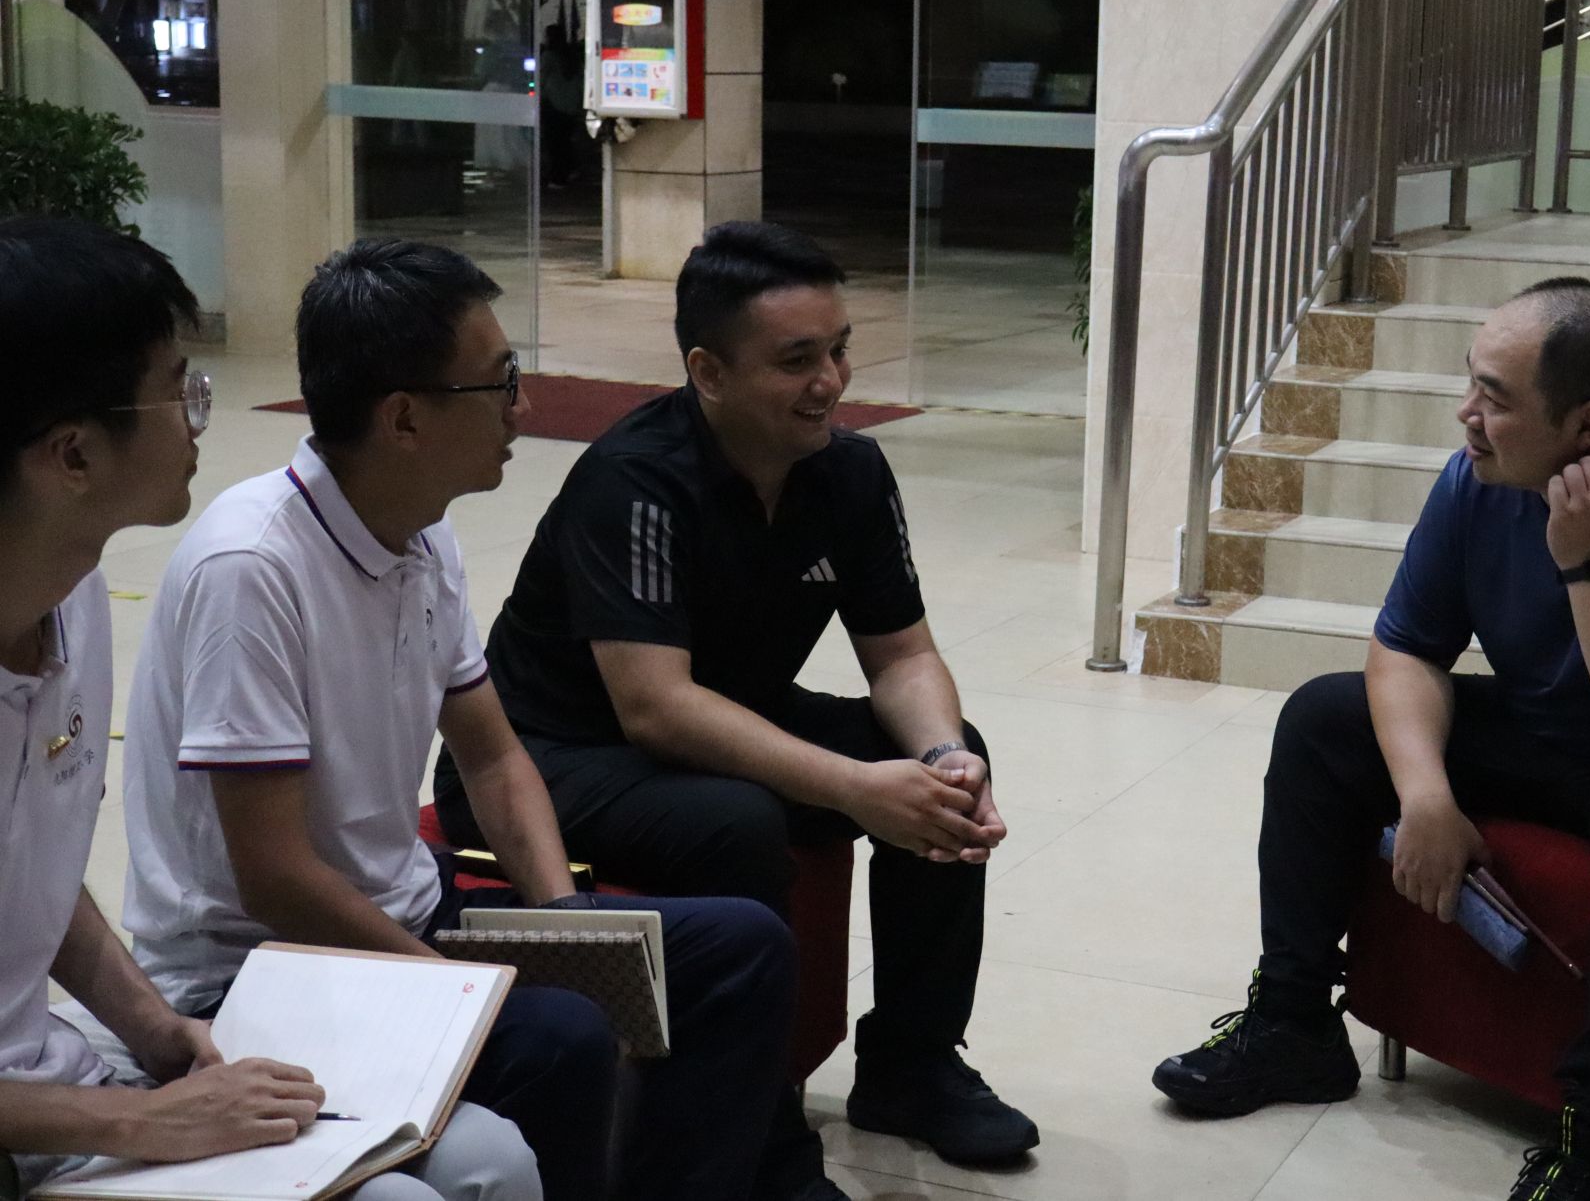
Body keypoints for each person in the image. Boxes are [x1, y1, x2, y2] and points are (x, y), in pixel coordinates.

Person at [116, 239, 797, 1201]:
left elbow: (493, 755)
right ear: (403, 417)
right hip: (257, 972)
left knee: (742, 949)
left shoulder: (423, 530)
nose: (523, 408)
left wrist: (567, 927)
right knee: (561, 1034)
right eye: (499, 383)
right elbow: (274, 878)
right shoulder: (253, 567)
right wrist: (455, 987)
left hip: (404, 916)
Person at [1151, 278, 1590, 1201]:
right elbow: (1404, 648)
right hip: (1562, 732)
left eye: (1495, 397)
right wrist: (1427, 794)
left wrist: (1588, 561)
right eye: (1471, 383)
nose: (1466, 414)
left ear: (1587, 427)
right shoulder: (1476, 481)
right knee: (1325, 718)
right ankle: (1292, 1022)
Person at [432, 219, 1039, 1199]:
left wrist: (936, 759)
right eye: (796, 361)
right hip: (554, 752)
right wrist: (853, 786)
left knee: (950, 763)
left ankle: (911, 1063)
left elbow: (902, 654)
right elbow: (655, 709)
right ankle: (761, 1130)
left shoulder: (847, 471)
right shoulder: (634, 478)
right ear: (707, 372)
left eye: (839, 350)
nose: (830, 382)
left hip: (718, 718)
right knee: (736, 820)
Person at [0, 217, 534, 1201]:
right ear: (72, 454)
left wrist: (158, 1033)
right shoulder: (248, 562)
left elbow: (34, 881)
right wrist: (138, 1120)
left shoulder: (72, 597)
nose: (199, 417)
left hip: (68, 1080)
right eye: (177, 390)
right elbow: (272, 873)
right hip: (42, 1120)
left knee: (491, 1162)